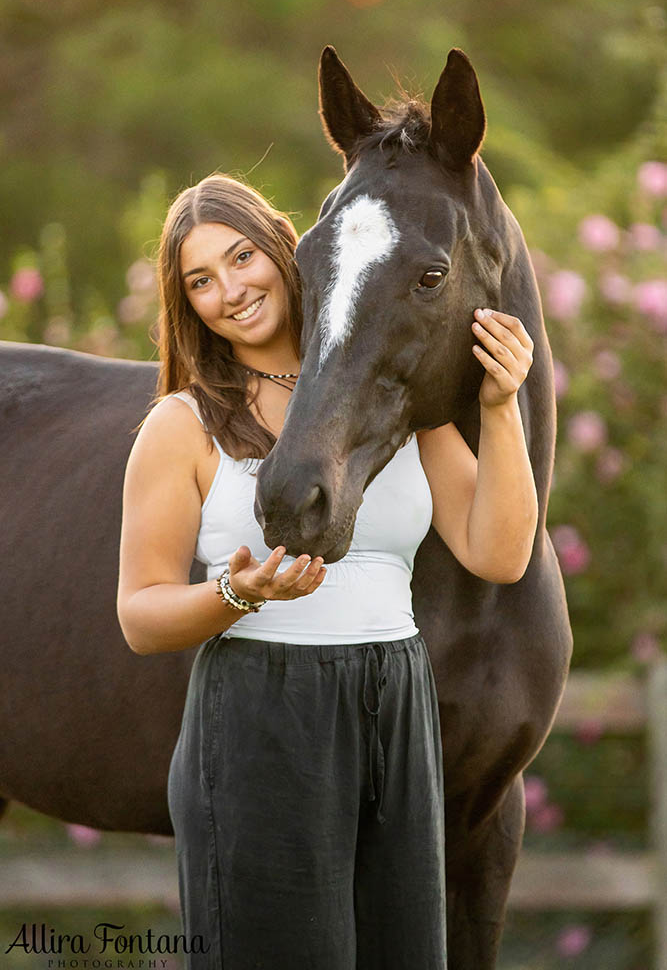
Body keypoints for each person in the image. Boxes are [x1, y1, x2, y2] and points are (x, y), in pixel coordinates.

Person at [116, 172, 538, 970]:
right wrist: (237, 593)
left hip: (396, 701)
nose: (230, 290)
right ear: (185, 304)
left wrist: (497, 405)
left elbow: (498, 552)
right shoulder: (183, 424)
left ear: (284, 251)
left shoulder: (396, 400)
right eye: (199, 281)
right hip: (261, 713)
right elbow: (139, 615)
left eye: (242, 258)